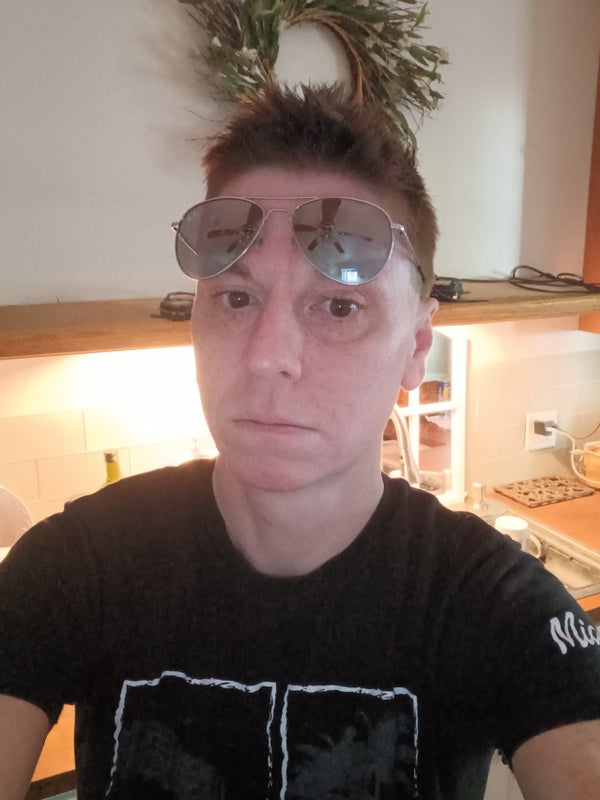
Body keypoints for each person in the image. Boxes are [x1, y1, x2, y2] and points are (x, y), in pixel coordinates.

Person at [1, 84, 599, 800]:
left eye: (340, 306)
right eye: (237, 298)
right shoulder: (77, 567)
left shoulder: (490, 605)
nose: (268, 356)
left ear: (415, 346)